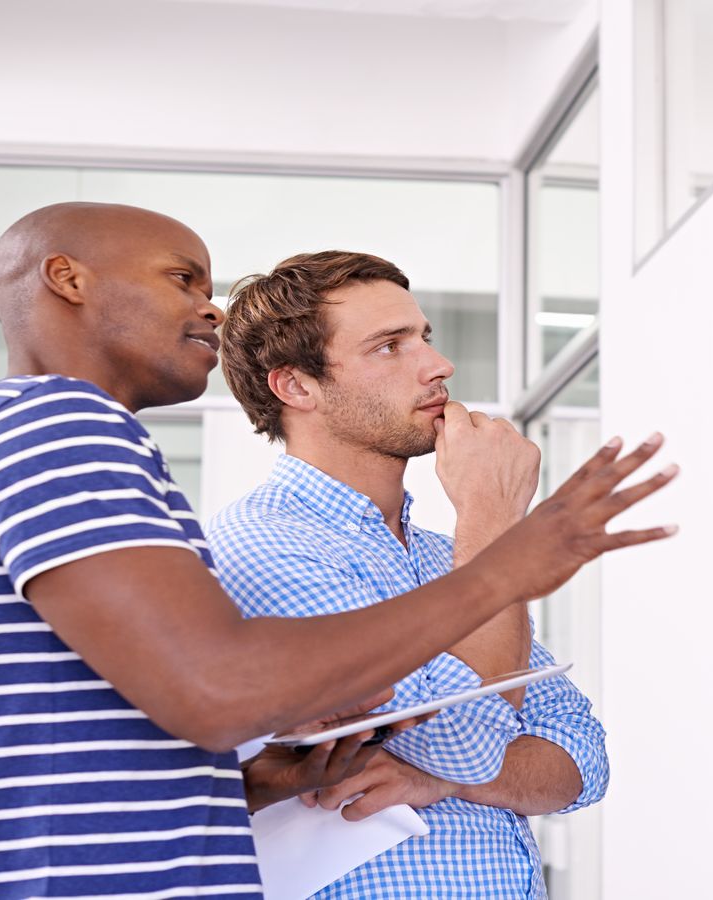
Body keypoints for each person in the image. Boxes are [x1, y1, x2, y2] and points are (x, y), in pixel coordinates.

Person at [0, 204, 676, 899]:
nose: (211, 308)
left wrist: (252, 786)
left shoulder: (49, 435)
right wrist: (502, 550)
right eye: (184, 279)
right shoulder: (61, 425)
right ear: (68, 279)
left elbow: (579, 757)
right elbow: (233, 690)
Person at [208, 250, 649, 897]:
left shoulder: (451, 555)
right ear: (296, 386)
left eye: (425, 338)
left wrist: (440, 779)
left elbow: (582, 758)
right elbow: (470, 740)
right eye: (390, 346)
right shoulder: (263, 546)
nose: (439, 365)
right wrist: (492, 514)